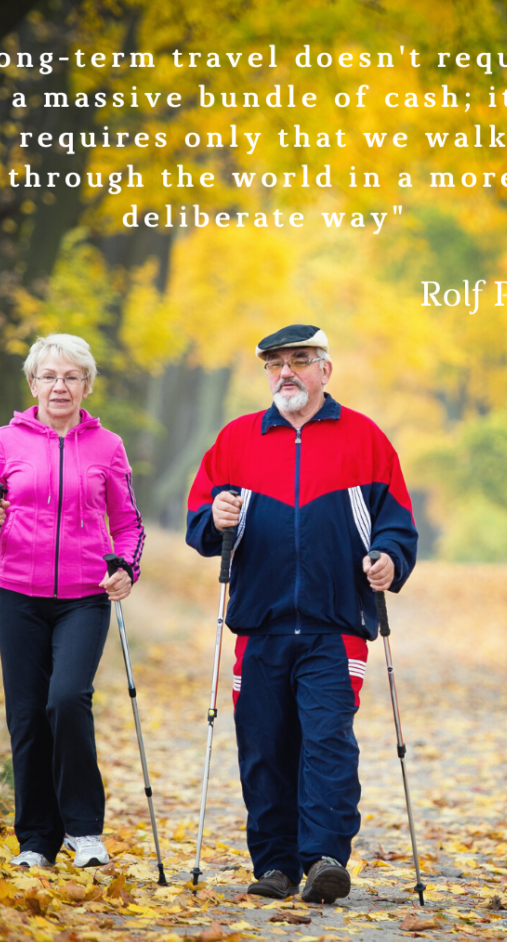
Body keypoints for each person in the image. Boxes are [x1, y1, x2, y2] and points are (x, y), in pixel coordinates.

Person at [186, 324, 418, 904]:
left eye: (299, 360)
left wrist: (388, 558)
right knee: (264, 746)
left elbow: (397, 522)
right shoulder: (237, 440)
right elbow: (200, 520)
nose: (285, 372)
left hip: (334, 625)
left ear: (324, 370)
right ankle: (275, 866)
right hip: (258, 625)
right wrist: (214, 517)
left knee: (327, 741)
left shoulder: (365, 439)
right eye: (274, 364)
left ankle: (323, 860)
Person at [0, 333, 145, 869]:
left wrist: (125, 569)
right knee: (26, 716)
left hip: (85, 597)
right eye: (49, 376)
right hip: (17, 593)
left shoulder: (107, 446)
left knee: (66, 699)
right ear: (32, 383)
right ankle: (37, 839)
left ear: (86, 385)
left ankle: (83, 830)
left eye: (71, 377)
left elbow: (129, 523)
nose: (59, 386)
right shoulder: (2, 441)